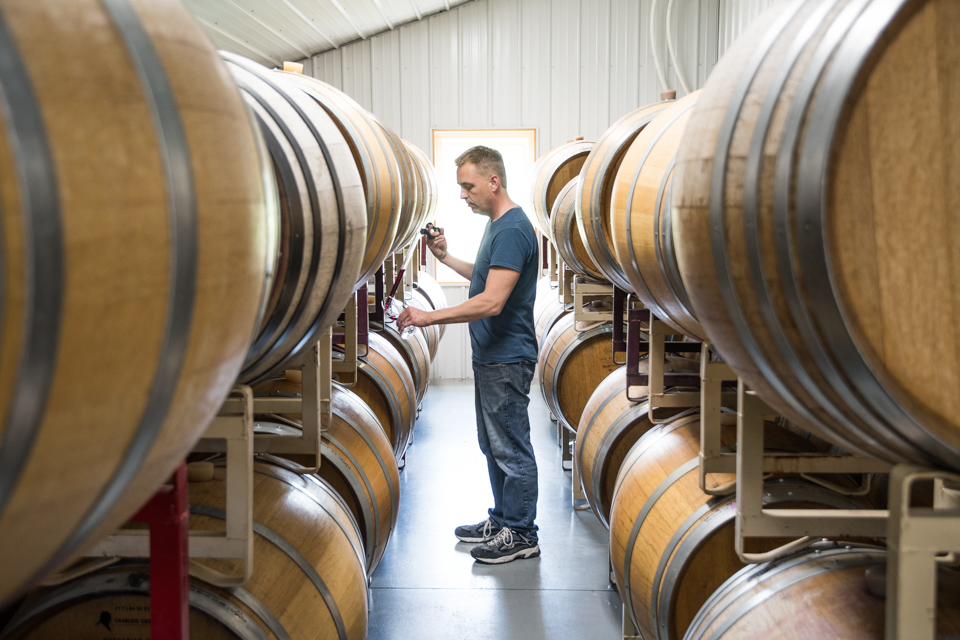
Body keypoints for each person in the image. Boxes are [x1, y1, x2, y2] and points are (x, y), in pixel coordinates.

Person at [396, 145, 540, 565]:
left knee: (511, 448)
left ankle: (522, 533)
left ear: (493, 181)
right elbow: (484, 277)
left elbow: (491, 302)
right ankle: (503, 518)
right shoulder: (498, 225)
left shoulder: (512, 229)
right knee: (493, 445)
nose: (463, 194)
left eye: (468, 185)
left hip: (507, 358)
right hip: (491, 356)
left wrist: (429, 317)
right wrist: (444, 256)